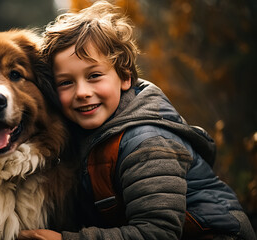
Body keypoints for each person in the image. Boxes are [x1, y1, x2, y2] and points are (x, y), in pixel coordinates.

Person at [18, 1, 256, 240]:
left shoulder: (148, 144)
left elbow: (159, 232)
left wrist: (65, 239)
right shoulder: (82, 134)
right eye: (66, 82)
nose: (81, 92)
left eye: (94, 76)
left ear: (125, 77)